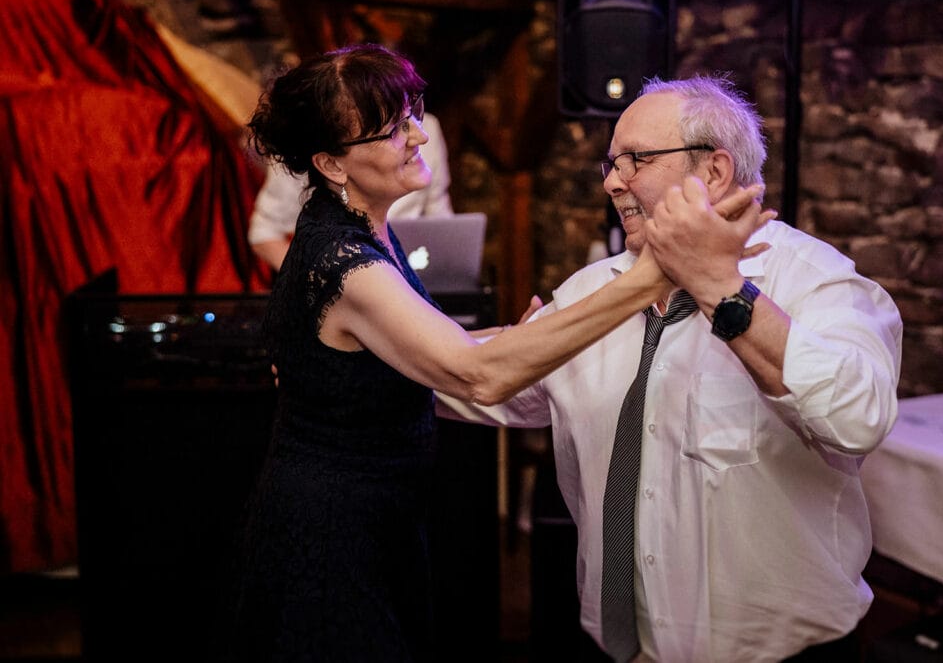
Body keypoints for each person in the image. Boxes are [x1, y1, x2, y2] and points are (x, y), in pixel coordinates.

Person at [222, 45, 769, 663]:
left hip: (379, 518)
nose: (416, 135)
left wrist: (513, 336)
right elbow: (477, 375)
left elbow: (429, 343)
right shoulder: (343, 262)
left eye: (412, 113)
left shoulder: (368, 228)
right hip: (330, 529)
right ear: (331, 163)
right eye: (390, 129)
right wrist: (660, 270)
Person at [439, 75, 903, 663]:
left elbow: (858, 419)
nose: (612, 182)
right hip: (620, 649)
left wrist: (721, 288)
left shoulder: (818, 282)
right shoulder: (589, 293)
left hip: (781, 655)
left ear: (714, 170)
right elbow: (480, 381)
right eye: (611, 164)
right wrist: (357, 350)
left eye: (635, 159)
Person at [247, 110, 453, 271]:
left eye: (413, 113)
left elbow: (440, 218)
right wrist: (314, 282)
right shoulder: (353, 262)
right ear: (331, 165)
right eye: (394, 130)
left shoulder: (429, 128)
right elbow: (263, 232)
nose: (421, 137)